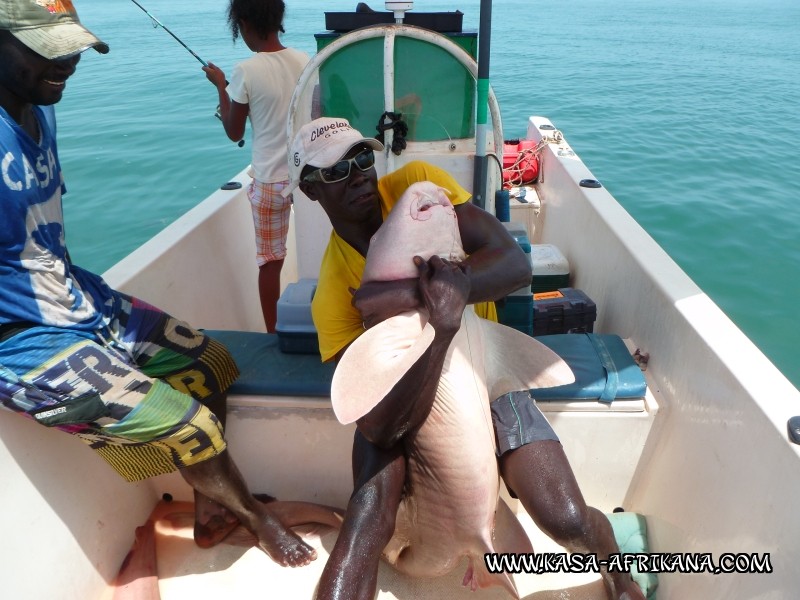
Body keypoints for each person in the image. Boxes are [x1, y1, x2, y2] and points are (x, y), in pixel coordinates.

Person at [0, 0, 316, 568]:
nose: (67, 62)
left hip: (76, 297)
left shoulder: (37, 104)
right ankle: (251, 515)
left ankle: (211, 508)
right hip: (19, 338)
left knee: (212, 365)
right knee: (189, 426)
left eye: (71, 47)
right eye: (47, 50)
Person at [284, 117, 646, 599]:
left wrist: (430, 298)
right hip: (401, 395)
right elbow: (378, 425)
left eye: (363, 158)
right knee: (365, 522)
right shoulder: (332, 294)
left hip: (484, 365)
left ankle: (621, 577)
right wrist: (440, 329)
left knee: (567, 519)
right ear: (310, 190)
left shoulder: (416, 190)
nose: (358, 175)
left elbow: (515, 265)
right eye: (335, 172)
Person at [203, 0, 309, 333]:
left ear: (244, 23)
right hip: (305, 177)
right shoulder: (305, 61)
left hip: (268, 183)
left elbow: (234, 131)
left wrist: (221, 85)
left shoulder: (245, 71)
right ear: (278, 20)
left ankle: (273, 335)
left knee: (270, 263)